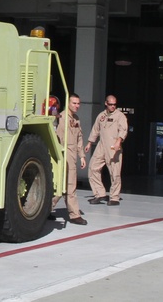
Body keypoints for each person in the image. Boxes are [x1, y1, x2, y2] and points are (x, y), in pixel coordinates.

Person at [85, 94, 128, 206]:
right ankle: (99, 193)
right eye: (110, 104)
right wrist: (90, 143)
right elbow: (95, 129)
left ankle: (114, 197)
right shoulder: (101, 116)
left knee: (115, 173)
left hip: (113, 146)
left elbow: (123, 129)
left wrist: (119, 141)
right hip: (101, 145)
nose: (113, 106)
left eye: (114, 104)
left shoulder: (120, 116)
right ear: (106, 103)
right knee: (93, 167)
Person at [51, 92, 88, 225]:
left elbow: (79, 139)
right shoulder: (59, 117)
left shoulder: (76, 119)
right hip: (61, 154)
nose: (77, 106)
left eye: (78, 103)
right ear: (68, 103)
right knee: (68, 185)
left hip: (72, 156)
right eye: (74, 103)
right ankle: (74, 215)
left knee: (65, 185)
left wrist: (82, 156)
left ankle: (46, 209)